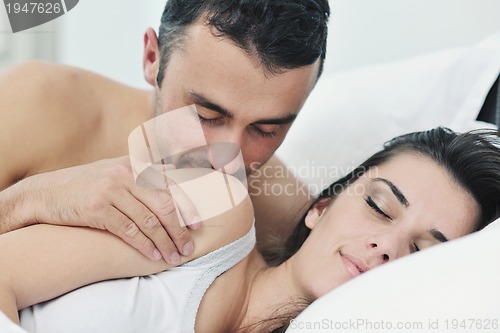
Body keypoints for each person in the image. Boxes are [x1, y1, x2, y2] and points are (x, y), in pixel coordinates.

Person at [2, 127, 500, 333]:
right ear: (321, 206)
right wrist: (30, 195)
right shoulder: (215, 185)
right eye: (378, 206)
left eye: (422, 253)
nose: (386, 246)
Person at [0, 0, 329, 262]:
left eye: (266, 129)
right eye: (206, 115)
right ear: (152, 58)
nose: (228, 158)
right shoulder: (37, 103)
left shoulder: (282, 216)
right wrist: (33, 199)